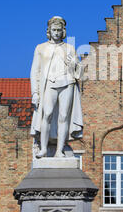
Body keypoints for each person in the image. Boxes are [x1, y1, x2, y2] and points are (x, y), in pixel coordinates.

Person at [30, 16, 83, 158]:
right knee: (46, 114)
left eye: (59, 30)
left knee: (64, 116)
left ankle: (59, 150)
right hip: (50, 84)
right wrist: (35, 93)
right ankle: (44, 148)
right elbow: (35, 71)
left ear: (63, 31)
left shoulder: (69, 48)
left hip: (67, 83)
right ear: (49, 31)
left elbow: (79, 73)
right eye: (54, 30)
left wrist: (73, 63)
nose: (56, 33)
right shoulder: (40, 48)